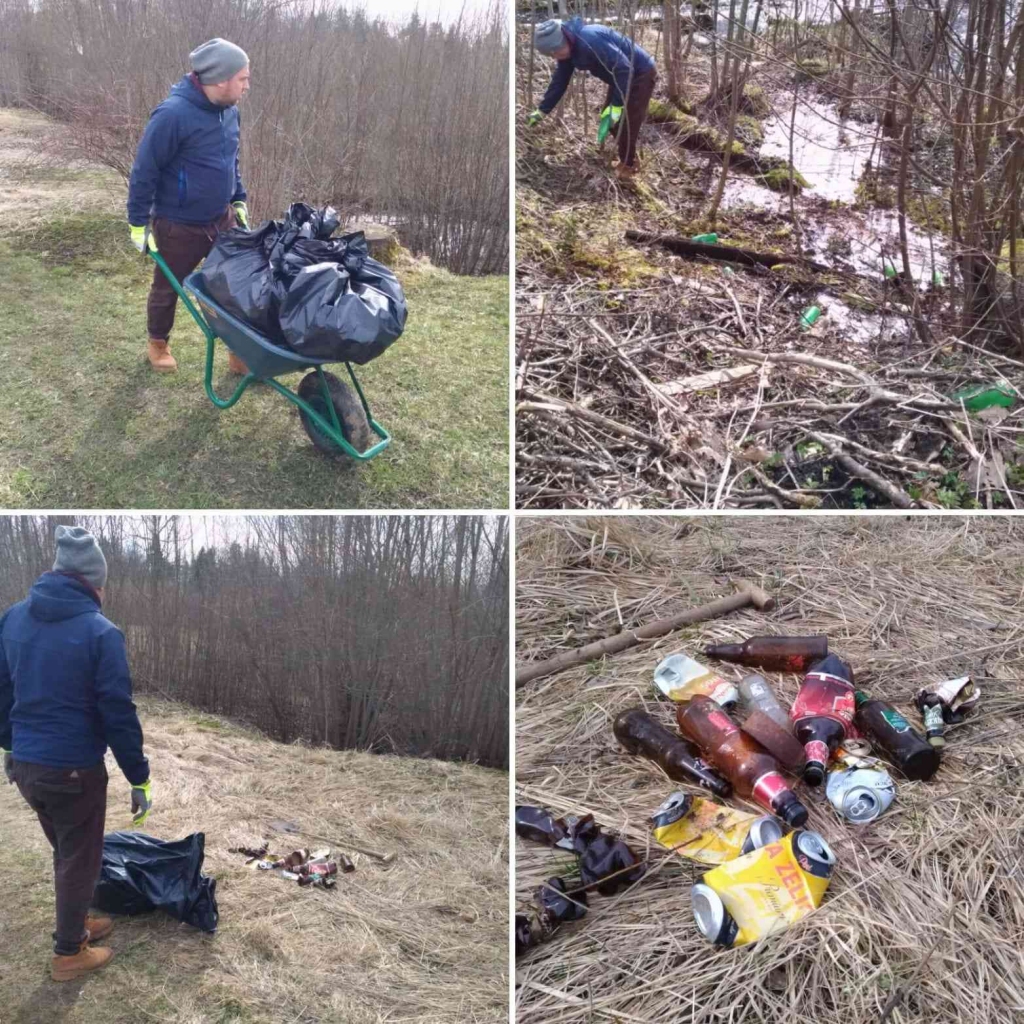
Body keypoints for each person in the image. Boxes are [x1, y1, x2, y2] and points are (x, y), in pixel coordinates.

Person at [0, 527, 152, 983]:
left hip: (28, 767)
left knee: (69, 852)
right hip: (73, 771)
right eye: (103, 584)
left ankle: (76, 920)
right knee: (77, 857)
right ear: (91, 582)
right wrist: (138, 776)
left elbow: (2, 690)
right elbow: (117, 711)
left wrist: (10, 746)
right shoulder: (100, 632)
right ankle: (69, 952)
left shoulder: (12, 618)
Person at [127, 38, 252, 374]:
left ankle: (238, 351)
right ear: (221, 79)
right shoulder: (173, 115)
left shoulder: (230, 112)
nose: (247, 85)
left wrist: (238, 196)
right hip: (179, 224)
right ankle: (157, 344)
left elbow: (231, 160)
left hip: (221, 218)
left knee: (233, 287)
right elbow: (145, 169)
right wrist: (137, 223)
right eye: (243, 78)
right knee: (167, 288)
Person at [527, 18, 657, 180]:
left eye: (556, 51)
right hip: (621, 77)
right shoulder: (568, 52)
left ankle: (628, 167)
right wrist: (542, 110)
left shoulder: (590, 40)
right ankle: (628, 159)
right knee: (609, 119)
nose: (555, 56)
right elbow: (559, 82)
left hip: (640, 73)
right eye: (551, 54)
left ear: (564, 39)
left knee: (626, 122)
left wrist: (616, 106)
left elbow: (625, 68)